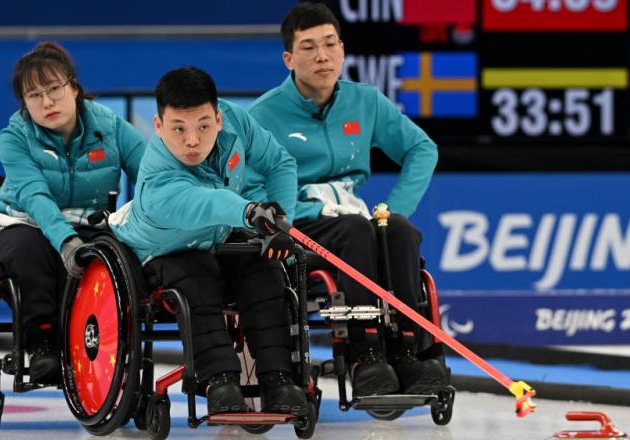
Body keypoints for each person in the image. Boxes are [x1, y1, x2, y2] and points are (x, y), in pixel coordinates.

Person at [247, 2, 447, 398]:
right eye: (308, 47)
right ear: (288, 58)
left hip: (352, 215)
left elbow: (422, 149)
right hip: (299, 223)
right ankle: (366, 352)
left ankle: (408, 351)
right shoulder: (262, 115)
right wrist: (300, 211)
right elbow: (248, 188)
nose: (322, 56)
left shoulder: (365, 101)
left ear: (342, 49)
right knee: (356, 230)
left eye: (329, 44)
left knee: (400, 232)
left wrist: (394, 211)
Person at [110, 67, 309, 416]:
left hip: (219, 237)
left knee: (260, 267)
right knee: (196, 274)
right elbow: (208, 202)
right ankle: (220, 380)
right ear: (158, 126)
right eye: (178, 128)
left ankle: (279, 378)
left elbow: (280, 163)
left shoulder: (236, 122)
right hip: (164, 251)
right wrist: (250, 211)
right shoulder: (158, 181)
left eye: (203, 126)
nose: (192, 140)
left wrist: (281, 227)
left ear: (218, 118)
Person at [0, 42, 146, 384]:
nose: (47, 102)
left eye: (54, 89)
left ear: (73, 87)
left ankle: (113, 349)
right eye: (34, 95)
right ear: (25, 104)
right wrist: (65, 241)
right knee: (30, 252)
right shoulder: (14, 137)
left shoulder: (110, 127)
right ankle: (43, 345)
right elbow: (34, 195)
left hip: (90, 221)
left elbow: (151, 174)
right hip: (23, 221)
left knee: (117, 257)